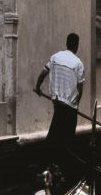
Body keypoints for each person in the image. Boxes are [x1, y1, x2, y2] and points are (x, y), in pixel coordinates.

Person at [34, 33, 85, 166]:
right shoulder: (78, 63)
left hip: (57, 101)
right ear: (77, 46)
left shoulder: (55, 57)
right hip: (69, 105)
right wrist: (76, 105)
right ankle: (60, 164)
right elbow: (80, 88)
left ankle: (53, 163)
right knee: (67, 137)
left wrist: (38, 87)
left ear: (67, 43)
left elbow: (43, 74)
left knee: (57, 131)